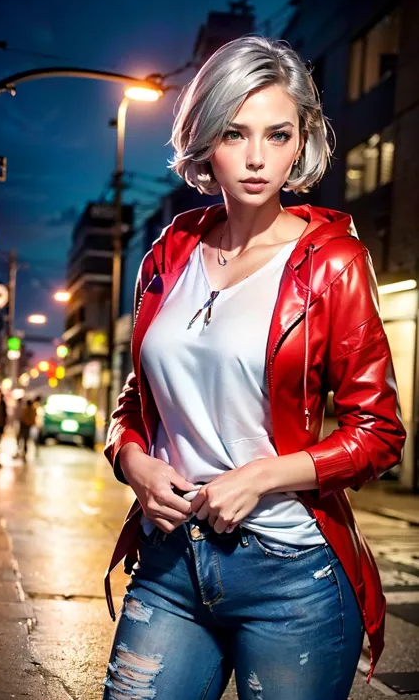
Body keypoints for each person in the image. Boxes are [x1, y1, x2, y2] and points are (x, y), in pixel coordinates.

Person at [102, 36, 406, 700]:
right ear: (207, 137)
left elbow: (379, 431)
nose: (258, 157)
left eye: (279, 133)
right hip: (169, 562)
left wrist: (260, 477)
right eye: (235, 133)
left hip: (290, 575)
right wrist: (135, 463)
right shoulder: (167, 254)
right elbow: (135, 402)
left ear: (302, 143)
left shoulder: (332, 264)